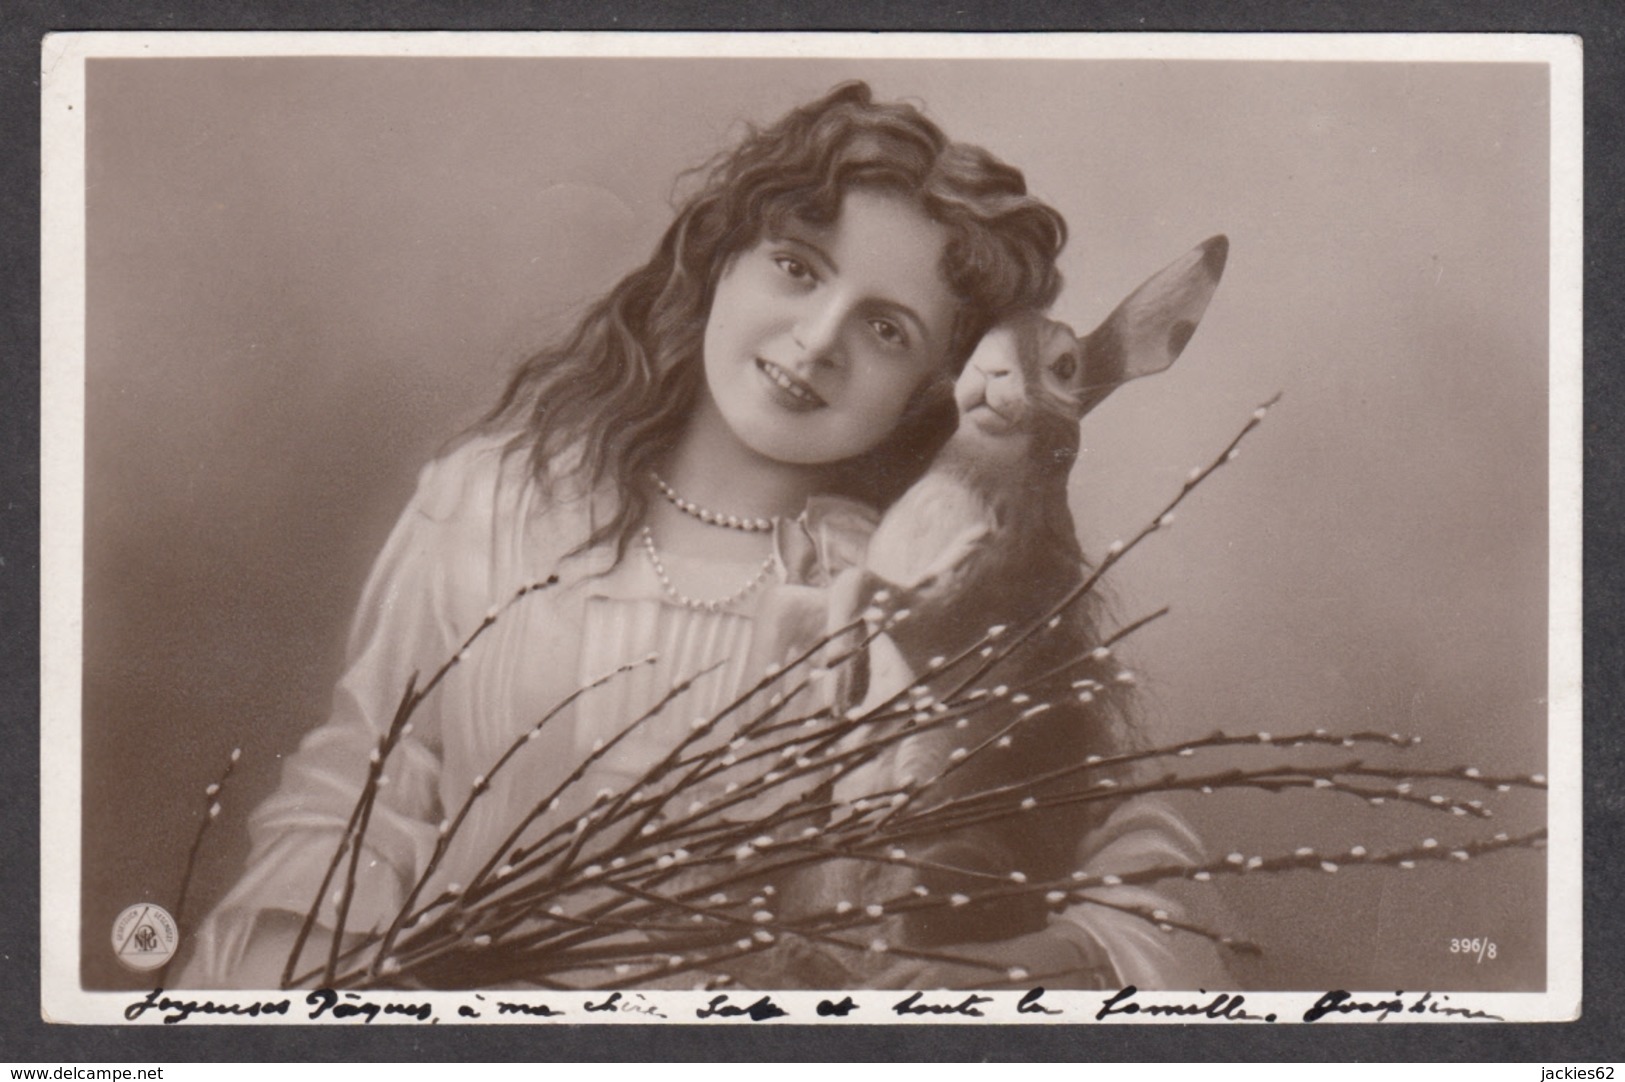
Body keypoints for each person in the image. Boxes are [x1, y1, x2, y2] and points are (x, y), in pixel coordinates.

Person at [179, 81, 1228, 992]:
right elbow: (366, 782)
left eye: (885, 327)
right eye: (797, 266)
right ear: (720, 258)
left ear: (934, 384)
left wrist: (1010, 966)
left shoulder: (916, 579)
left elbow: (1129, 852)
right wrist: (308, 983)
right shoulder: (491, 504)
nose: (815, 342)